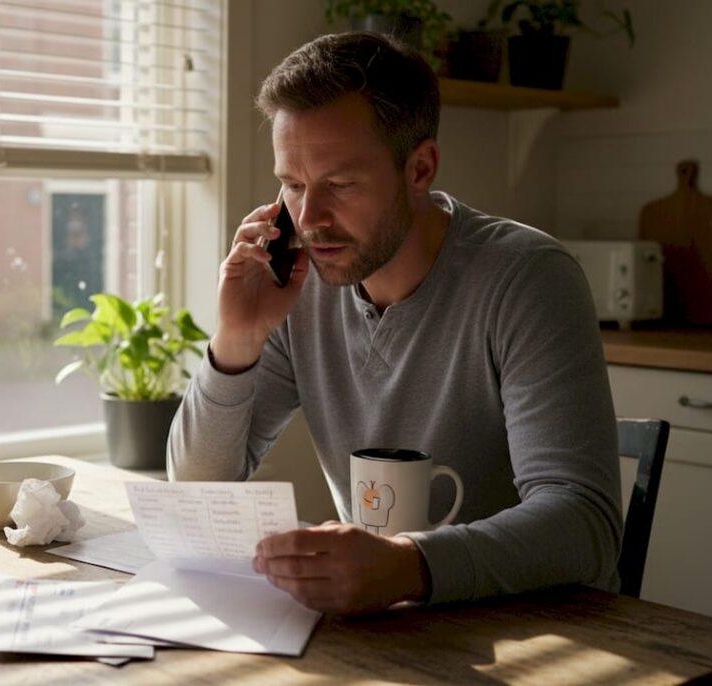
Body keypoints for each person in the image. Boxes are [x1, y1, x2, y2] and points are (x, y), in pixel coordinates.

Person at [166, 32, 623, 615]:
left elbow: (585, 523)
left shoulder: (528, 278)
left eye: (340, 184)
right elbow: (198, 490)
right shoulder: (300, 284)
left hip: (541, 630)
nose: (310, 219)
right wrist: (236, 340)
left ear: (420, 168)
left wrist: (411, 565)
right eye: (293, 184)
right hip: (391, 634)